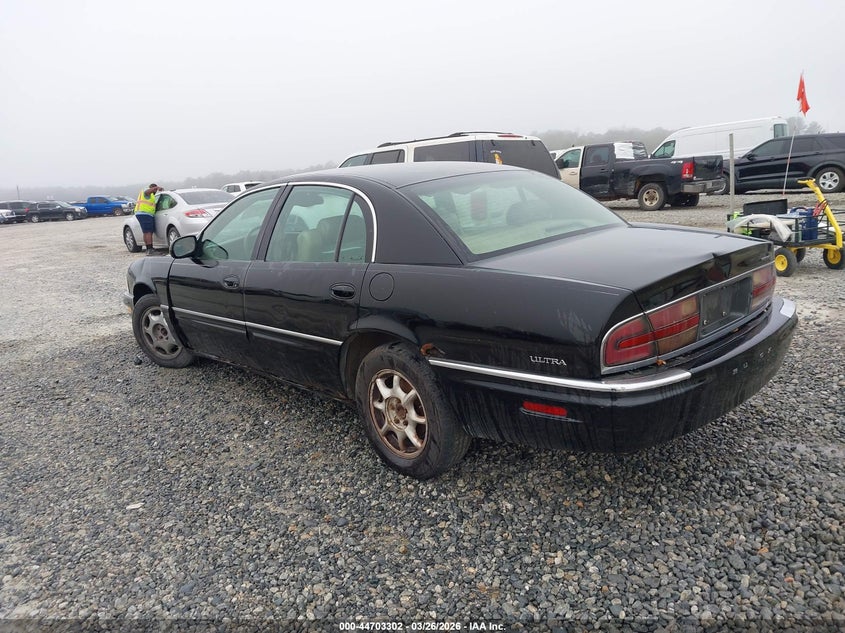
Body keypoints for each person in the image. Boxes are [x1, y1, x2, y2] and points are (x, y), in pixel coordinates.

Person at [135, 183, 163, 254]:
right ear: (152, 188)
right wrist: (157, 188)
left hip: (143, 213)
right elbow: (148, 191)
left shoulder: (151, 196)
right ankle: (150, 249)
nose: (155, 192)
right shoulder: (146, 192)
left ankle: (148, 249)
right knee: (148, 232)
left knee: (146, 232)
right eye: (154, 190)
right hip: (144, 213)